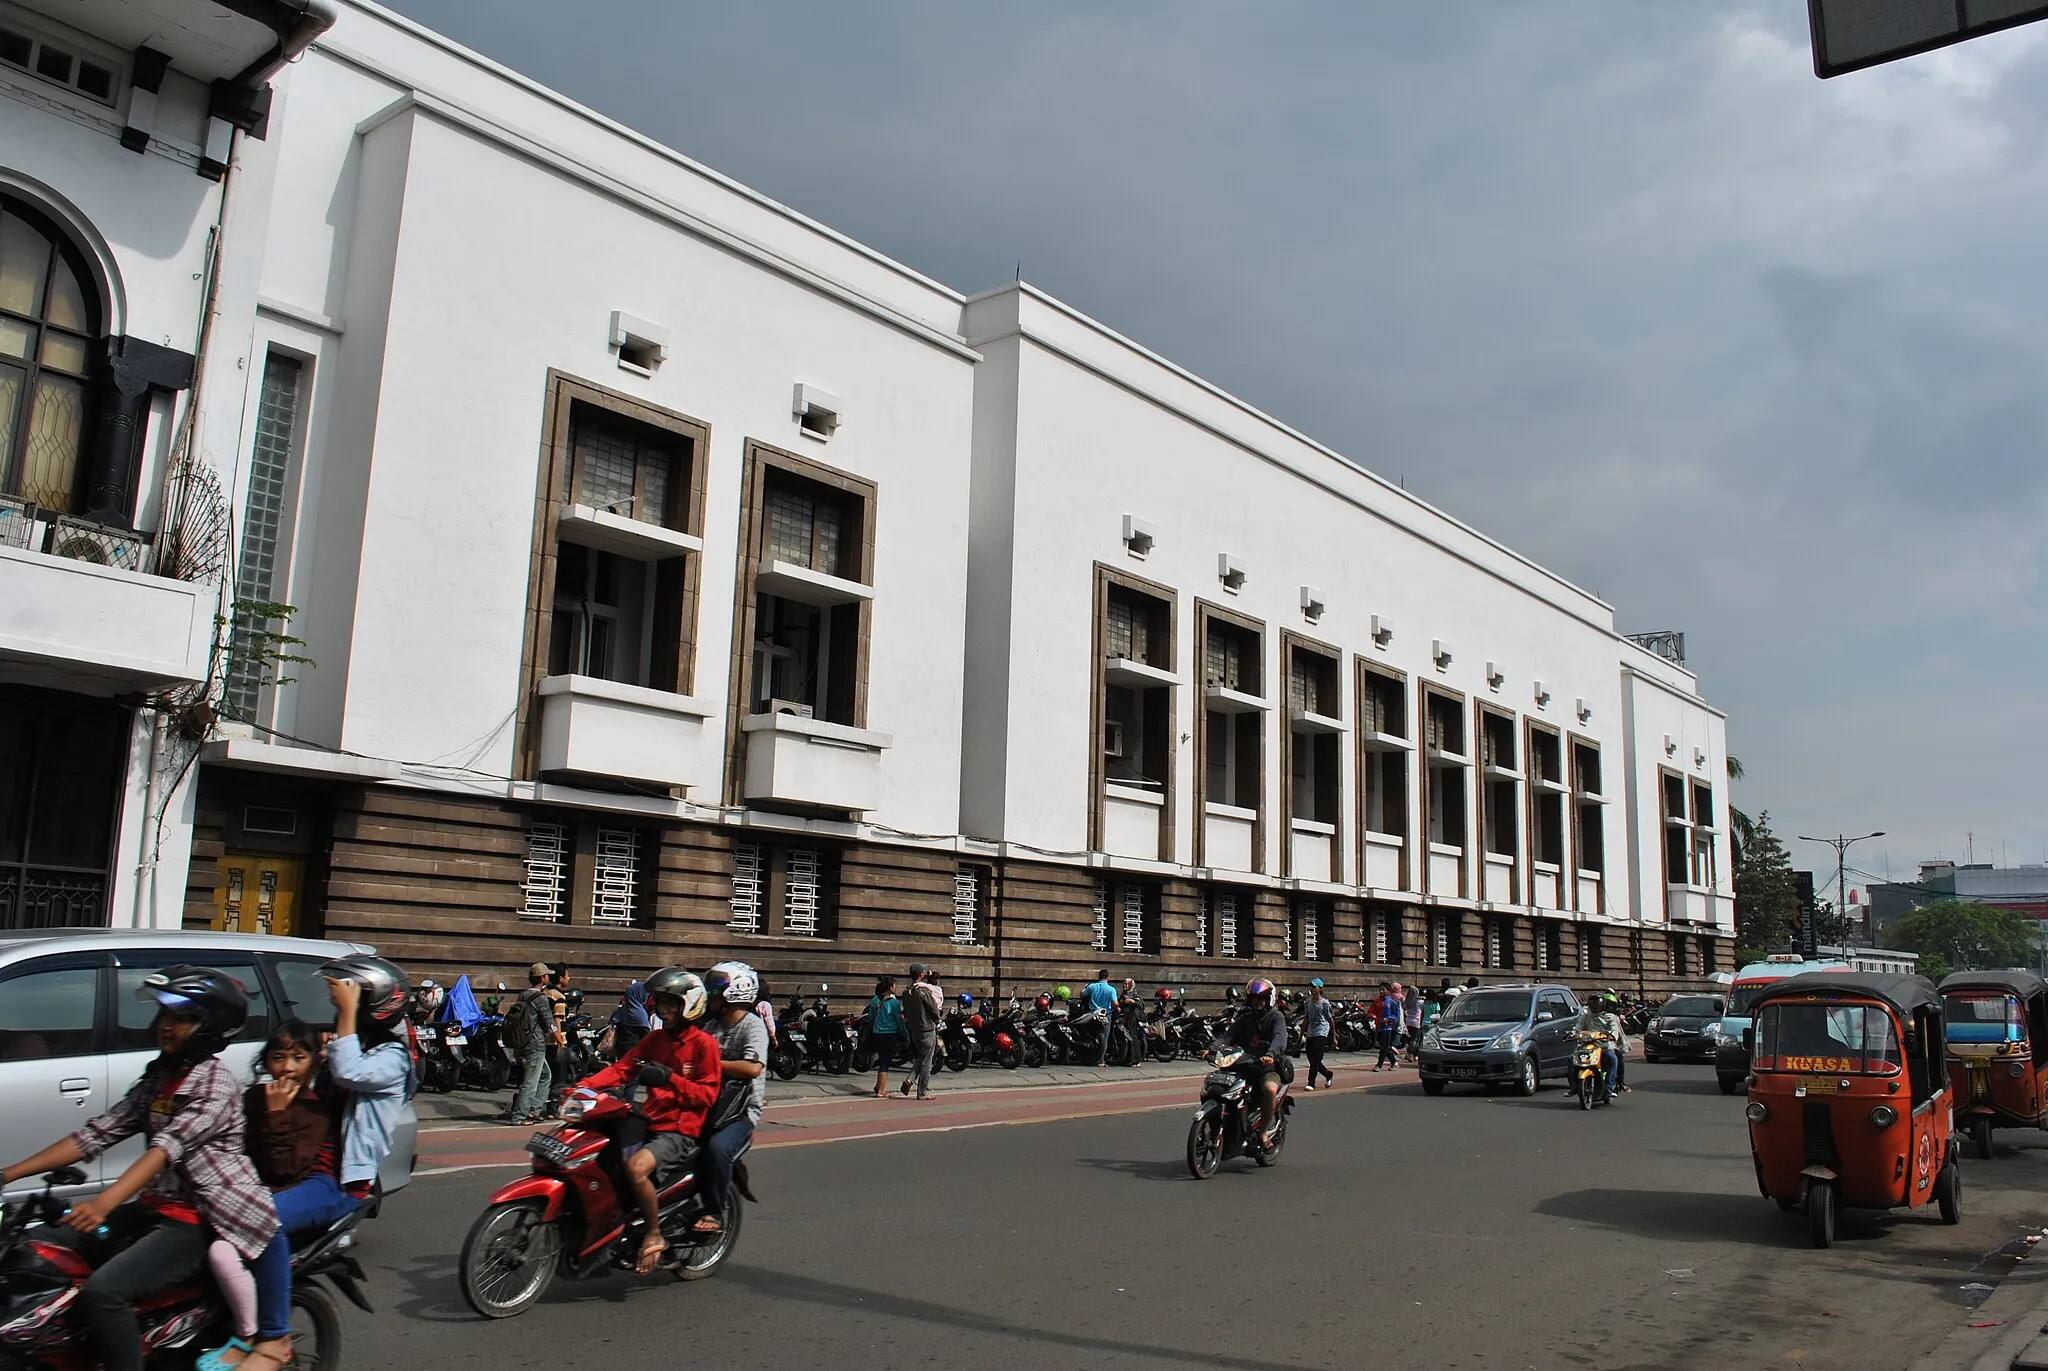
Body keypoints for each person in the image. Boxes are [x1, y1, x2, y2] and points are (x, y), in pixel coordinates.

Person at [0, 967, 279, 1371]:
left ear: (210, 1026)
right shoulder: (161, 1075)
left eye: (180, 1019)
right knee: (34, 1249)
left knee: (105, 1291)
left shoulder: (216, 1084)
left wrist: (103, 1204)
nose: (166, 1027)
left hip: (198, 1221)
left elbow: (166, 1149)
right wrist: (9, 1173)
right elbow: (96, 1134)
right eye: (164, 1016)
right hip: (155, 1208)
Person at [573, 967, 720, 1272]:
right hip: (650, 1119)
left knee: (635, 1168)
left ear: (689, 1005)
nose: (663, 1009)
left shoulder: (704, 1045)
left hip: (680, 1130)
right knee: (599, 1156)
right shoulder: (655, 1040)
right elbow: (622, 1068)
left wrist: (671, 1080)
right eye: (661, 1002)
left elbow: (707, 1096)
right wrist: (584, 1087)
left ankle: (653, 1235)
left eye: (670, 1003)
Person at [697, 962, 768, 1238]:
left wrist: (713, 1063)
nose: (709, 995)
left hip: (739, 1112)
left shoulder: (753, 1027)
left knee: (717, 1149)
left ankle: (714, 1212)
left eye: (715, 989)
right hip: (707, 1104)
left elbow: (752, 1068)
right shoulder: (711, 1026)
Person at [1222, 978, 1289, 1144]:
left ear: (1268, 999)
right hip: (1243, 1065)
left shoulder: (1276, 1017)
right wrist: (1211, 1049)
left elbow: (1279, 1038)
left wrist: (1270, 1054)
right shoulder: (1245, 1018)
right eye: (1254, 998)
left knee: (1270, 1089)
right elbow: (1227, 1036)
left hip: (1267, 1068)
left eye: (1261, 998)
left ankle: (1263, 1132)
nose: (1257, 1002)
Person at [503, 962, 557, 1126]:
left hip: (523, 1041)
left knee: (545, 1076)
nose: (548, 977)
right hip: (535, 1042)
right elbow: (549, 1021)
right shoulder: (541, 998)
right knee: (531, 1082)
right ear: (542, 978)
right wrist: (559, 1038)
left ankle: (533, 1110)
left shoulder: (523, 994)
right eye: (547, 975)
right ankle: (519, 1116)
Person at [899, 964, 942, 1099]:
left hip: (914, 1029)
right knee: (927, 1062)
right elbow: (933, 1010)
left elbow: (905, 1011)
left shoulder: (906, 991)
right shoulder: (923, 991)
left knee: (921, 1057)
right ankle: (922, 1092)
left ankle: (910, 1080)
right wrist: (937, 1019)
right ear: (921, 974)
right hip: (927, 1028)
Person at [1575, 991, 1628, 1099]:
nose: (1595, 1005)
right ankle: (1574, 1086)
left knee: (1612, 1059)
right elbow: (1578, 1029)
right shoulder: (1585, 1017)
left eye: (1597, 1002)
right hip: (1588, 1047)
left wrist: (1610, 1036)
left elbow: (1614, 1031)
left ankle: (1608, 1088)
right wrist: (1574, 1034)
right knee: (1572, 1061)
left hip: (1604, 1047)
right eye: (1593, 1003)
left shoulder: (1610, 1017)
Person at [866, 976, 904, 1098]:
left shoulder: (875, 1000)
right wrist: (905, 1035)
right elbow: (899, 1021)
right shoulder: (894, 1003)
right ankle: (881, 1090)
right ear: (890, 987)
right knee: (885, 1062)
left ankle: (878, 1086)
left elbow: (870, 1017)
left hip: (877, 1034)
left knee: (882, 1059)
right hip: (889, 1034)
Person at [1301, 979, 1335, 1090]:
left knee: (1316, 1059)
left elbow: (1330, 1020)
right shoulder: (1308, 1003)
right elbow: (1306, 1019)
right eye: (1311, 987)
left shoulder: (1325, 1003)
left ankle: (1311, 1083)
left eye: (1315, 987)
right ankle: (1327, 1074)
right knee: (1312, 1059)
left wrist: (1333, 1036)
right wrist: (1301, 1035)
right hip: (1311, 1032)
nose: (1312, 989)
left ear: (1320, 989)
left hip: (1322, 1032)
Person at [1083, 969, 1119, 1066]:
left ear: (1099, 977)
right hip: (1105, 1015)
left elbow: (1083, 994)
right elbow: (1115, 1003)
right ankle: (1100, 1061)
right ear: (1108, 978)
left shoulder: (1092, 986)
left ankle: (1090, 1056)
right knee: (1104, 1038)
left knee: (1091, 1035)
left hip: (1092, 1014)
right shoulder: (1111, 989)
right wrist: (1118, 1008)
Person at [610, 980, 652, 1060]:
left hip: (622, 1049)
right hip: (635, 1052)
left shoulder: (623, 1009)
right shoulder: (640, 1013)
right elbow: (646, 1035)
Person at [1374, 982, 1402, 1071]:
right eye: (1380, 990)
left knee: (1384, 1047)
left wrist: (1389, 1019)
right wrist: (1372, 1016)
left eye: (1383, 990)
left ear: (1388, 991)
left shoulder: (1392, 1002)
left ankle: (1379, 1065)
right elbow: (1371, 1011)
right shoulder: (1377, 1002)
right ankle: (1394, 1062)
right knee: (1384, 1046)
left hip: (1387, 1027)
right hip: (1379, 1026)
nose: (1381, 991)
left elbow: (1396, 1015)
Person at [1403, 980, 1425, 1062]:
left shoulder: (1408, 1001)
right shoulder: (1419, 1002)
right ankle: (1409, 1053)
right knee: (1415, 1039)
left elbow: (1404, 1008)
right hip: (1416, 1022)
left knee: (1413, 1038)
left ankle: (1415, 1055)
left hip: (1408, 1021)